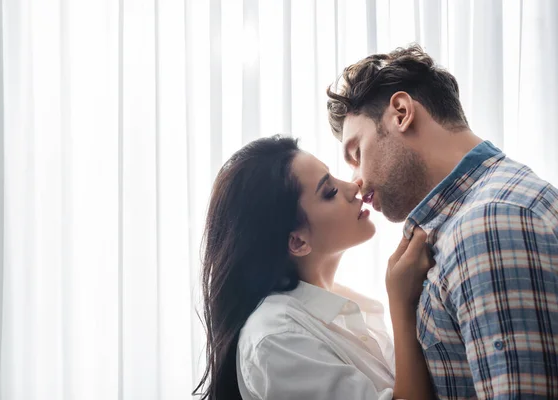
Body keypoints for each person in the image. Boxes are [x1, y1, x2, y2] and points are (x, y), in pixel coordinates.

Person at [327, 44, 558, 399]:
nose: (355, 180)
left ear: (401, 113)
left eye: (357, 153)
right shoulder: (477, 216)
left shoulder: (488, 224)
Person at [193, 135, 435, 399]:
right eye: (329, 192)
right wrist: (402, 305)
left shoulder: (347, 306)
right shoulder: (277, 337)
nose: (354, 186)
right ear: (297, 241)